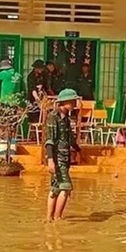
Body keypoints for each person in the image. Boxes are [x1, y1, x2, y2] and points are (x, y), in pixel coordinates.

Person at [45, 88, 82, 222]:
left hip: (65, 158)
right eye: (72, 101)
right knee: (66, 187)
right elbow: (49, 141)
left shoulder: (66, 118)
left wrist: (79, 150)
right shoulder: (53, 116)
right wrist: (50, 160)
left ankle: (50, 218)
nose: (74, 104)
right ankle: (57, 217)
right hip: (57, 157)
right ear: (65, 102)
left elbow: (70, 139)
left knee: (56, 187)